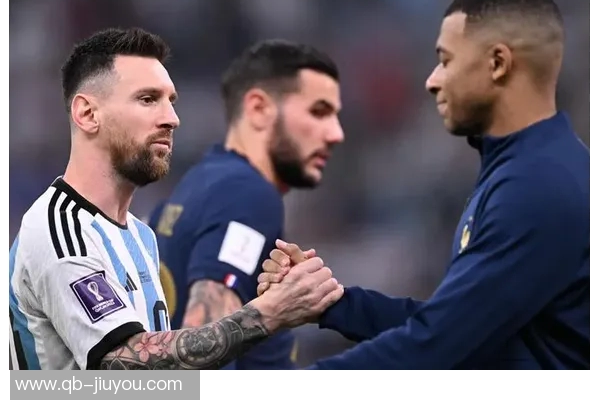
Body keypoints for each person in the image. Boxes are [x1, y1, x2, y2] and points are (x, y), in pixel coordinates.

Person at [257, 0, 590, 369]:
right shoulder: (532, 168)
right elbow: (459, 327)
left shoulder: (536, 187)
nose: (432, 80)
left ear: (498, 64)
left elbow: (435, 346)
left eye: (446, 60)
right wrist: (332, 304)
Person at [8, 28, 343, 370]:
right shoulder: (60, 231)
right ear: (88, 114)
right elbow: (123, 366)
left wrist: (270, 305)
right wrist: (268, 313)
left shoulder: (140, 235)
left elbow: (164, 375)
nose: (172, 118)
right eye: (148, 99)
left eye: (171, 101)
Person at [148, 39, 345, 369]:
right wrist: (277, 311)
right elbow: (201, 347)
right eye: (319, 112)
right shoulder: (247, 194)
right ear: (258, 109)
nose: (335, 133)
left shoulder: (198, 183)